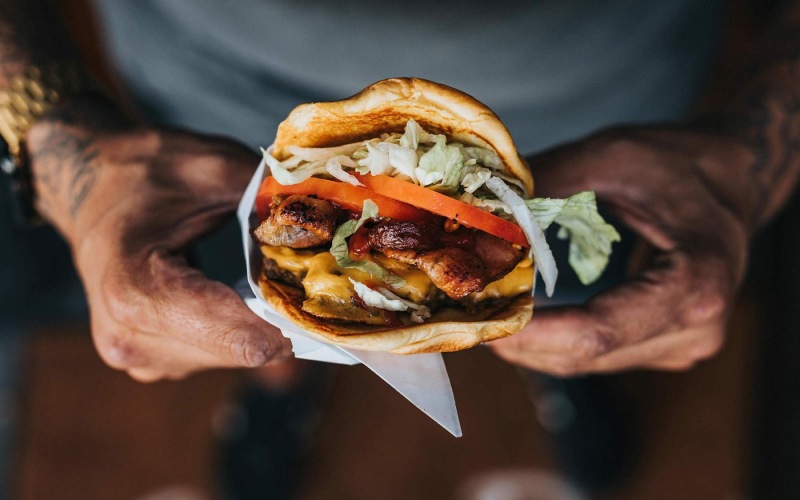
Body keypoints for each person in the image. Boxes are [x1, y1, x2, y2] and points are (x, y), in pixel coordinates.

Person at [0, 0, 796, 429]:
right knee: (240, 308)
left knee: (592, 306)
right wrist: (58, 135)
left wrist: (752, 149)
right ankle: (279, 393)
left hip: (618, 115)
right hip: (205, 112)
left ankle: (577, 384)